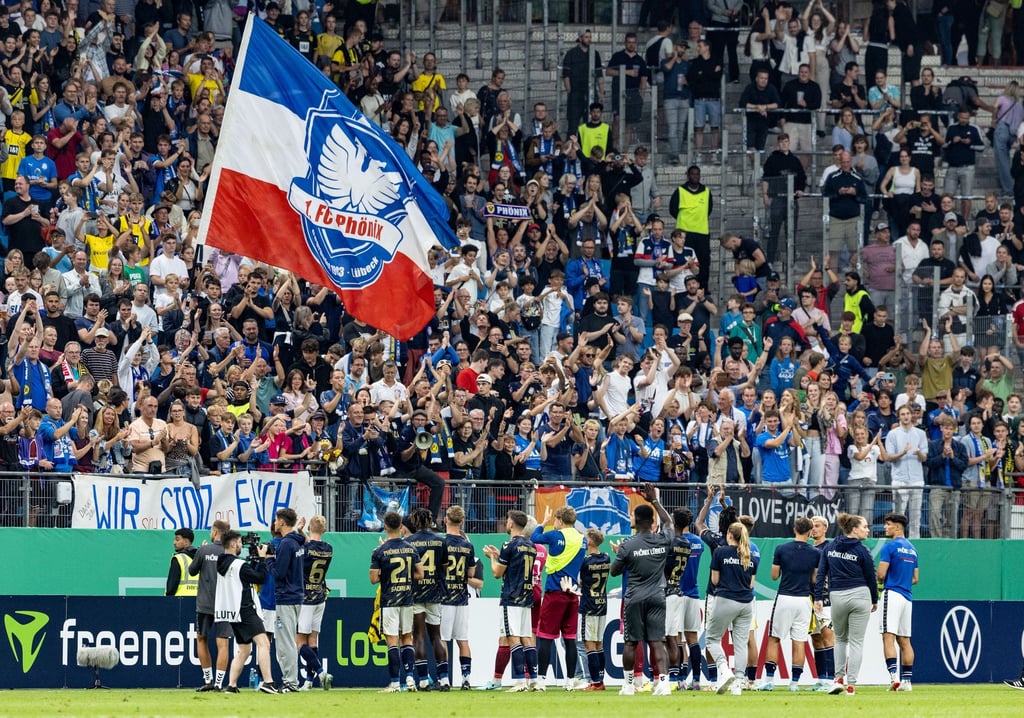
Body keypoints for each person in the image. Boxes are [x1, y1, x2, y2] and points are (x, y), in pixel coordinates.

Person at [609, 483, 674, 696]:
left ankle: (628, 685)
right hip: (657, 596)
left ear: (636, 521)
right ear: (652, 521)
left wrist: (621, 555)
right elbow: (669, 522)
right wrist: (654, 500)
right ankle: (663, 683)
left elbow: (615, 572)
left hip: (635, 598)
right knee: (657, 641)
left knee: (630, 642)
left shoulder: (628, 545)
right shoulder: (662, 540)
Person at [814, 512, 877, 696]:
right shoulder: (863, 550)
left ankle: (838, 679)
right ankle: (851, 685)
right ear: (854, 529)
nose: (867, 530)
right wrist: (875, 599)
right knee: (856, 642)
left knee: (840, 639)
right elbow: (871, 578)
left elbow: (821, 573)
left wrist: (818, 597)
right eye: (865, 527)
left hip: (837, 596)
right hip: (860, 595)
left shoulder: (830, 547)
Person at [756, 516, 818, 692]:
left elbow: (774, 576)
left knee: (774, 638)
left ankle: (769, 680)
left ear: (794, 529)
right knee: (799, 641)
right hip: (804, 599)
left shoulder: (781, 549)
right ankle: (795, 683)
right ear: (810, 531)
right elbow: (815, 578)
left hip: (785, 597)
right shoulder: (815, 553)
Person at [215, 530, 281, 694]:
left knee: (245, 649)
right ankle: (268, 682)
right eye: (238, 542)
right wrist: (263, 560)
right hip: (245, 608)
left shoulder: (223, 563)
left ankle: (231, 685)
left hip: (232, 611)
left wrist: (255, 561)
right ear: (232, 544)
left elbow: (245, 576)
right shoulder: (239, 565)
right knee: (264, 643)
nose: (240, 545)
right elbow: (259, 578)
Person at [530, 504, 586, 690]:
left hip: (555, 592)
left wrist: (543, 522)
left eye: (555, 519)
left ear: (560, 520)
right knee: (570, 638)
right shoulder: (581, 539)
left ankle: (542, 680)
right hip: (573, 594)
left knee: (545, 637)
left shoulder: (556, 535)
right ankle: (570, 681)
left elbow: (534, 538)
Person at [482, 510, 537, 692]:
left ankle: (520, 681)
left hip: (511, 597)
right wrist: (500, 557)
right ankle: (534, 681)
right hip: (526, 597)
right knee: (526, 638)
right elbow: (515, 566)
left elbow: (497, 574)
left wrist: (491, 558)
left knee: (513, 638)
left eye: (507, 520)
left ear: (512, 524)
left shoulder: (510, 544)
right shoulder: (531, 546)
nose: (506, 522)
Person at [371, 510, 425, 692]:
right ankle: (410, 679)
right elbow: (420, 574)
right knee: (407, 638)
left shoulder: (380, 551)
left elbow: (373, 579)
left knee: (392, 641)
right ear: (400, 526)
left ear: (385, 526)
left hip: (390, 599)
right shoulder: (411, 548)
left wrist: (386, 573)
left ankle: (395, 682)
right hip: (407, 598)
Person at [705, 520, 756, 696]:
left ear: (729, 535)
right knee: (741, 643)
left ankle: (724, 669)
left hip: (726, 599)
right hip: (746, 603)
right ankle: (739, 683)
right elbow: (751, 585)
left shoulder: (720, 552)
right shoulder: (750, 556)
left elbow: (715, 581)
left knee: (712, 638)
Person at [187, 519, 232, 691]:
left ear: (214, 531)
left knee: (201, 639)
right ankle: (219, 684)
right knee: (223, 644)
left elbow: (192, 571)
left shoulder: (204, 550)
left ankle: (208, 681)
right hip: (225, 605)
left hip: (205, 604)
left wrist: (201, 552)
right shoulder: (230, 552)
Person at [406, 507, 448, 690]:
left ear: (414, 522)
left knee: (419, 636)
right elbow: (445, 568)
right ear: (430, 521)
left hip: (415, 593)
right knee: (436, 636)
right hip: (435, 592)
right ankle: (445, 679)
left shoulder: (408, 542)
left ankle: (423, 680)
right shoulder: (440, 541)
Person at [440, 505, 481, 691]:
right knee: (462, 640)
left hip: (444, 596)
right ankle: (466, 679)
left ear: (446, 520)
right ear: (462, 522)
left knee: (442, 640)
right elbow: (471, 572)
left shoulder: (441, 543)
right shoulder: (468, 545)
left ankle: (444, 680)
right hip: (462, 597)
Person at [877, 512, 918, 692]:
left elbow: (880, 574)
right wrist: (903, 579)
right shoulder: (912, 549)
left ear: (897, 527)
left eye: (888, 524)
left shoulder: (890, 547)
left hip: (892, 593)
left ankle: (894, 678)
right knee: (905, 640)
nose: (885, 527)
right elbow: (915, 578)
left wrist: (881, 580)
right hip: (907, 597)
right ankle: (907, 682)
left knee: (888, 636)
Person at [268, 508, 306, 693]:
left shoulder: (285, 544)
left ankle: (290, 682)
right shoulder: (297, 542)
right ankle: (291, 680)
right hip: (296, 595)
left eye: (276, 520)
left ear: (282, 522)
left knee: (285, 642)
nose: (274, 523)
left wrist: (267, 559)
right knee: (289, 640)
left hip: (286, 597)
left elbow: (279, 573)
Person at [297, 515, 333, 690]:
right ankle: (309, 682)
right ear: (324, 530)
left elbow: (307, 548)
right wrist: (302, 532)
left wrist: (300, 532)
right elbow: (313, 545)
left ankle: (320, 672)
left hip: (305, 599)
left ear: (309, 528)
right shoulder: (329, 549)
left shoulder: (304, 549)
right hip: (320, 597)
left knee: (299, 643)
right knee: (313, 640)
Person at [664, 507, 692, 690]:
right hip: (678, 591)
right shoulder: (686, 544)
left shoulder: (669, 542)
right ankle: (678, 678)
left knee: (665, 638)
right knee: (674, 638)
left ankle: (669, 678)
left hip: (665, 592)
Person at [579, 527, 611, 690]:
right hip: (602, 604)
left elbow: (580, 582)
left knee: (589, 644)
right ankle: (601, 680)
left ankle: (595, 682)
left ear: (590, 541)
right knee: (598, 644)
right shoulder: (606, 558)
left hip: (588, 605)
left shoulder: (584, 561)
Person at [165, 527, 197, 597]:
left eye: (177, 539)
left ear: (186, 542)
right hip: (199, 601)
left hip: (179, 602)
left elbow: (171, 587)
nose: (174, 542)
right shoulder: (200, 557)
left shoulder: (178, 558)